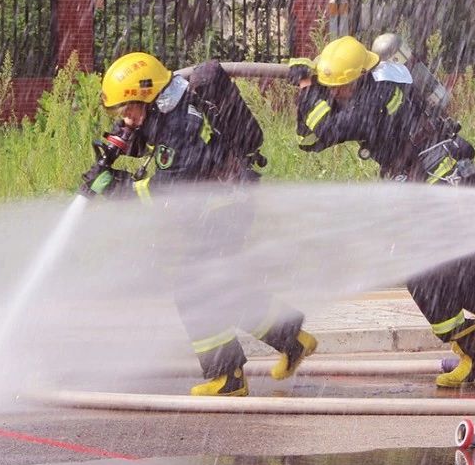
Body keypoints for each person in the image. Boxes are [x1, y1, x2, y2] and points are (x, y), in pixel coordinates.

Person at [291, 35, 475, 387]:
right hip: (438, 186)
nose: (335, 94)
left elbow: (326, 131)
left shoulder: (373, 103)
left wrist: (307, 88)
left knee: (424, 277)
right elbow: (310, 140)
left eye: (340, 88)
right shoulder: (387, 77)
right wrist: (319, 82)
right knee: (466, 284)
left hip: (443, 190)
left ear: (360, 77)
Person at [90, 51, 318, 397]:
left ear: (150, 97)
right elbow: (150, 137)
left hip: (223, 209)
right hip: (221, 205)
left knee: (195, 288)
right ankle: (291, 338)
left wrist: (113, 186)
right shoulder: (169, 108)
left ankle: (228, 376)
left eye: (130, 108)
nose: (127, 117)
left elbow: (169, 190)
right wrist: (118, 144)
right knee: (215, 287)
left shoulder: (182, 124)